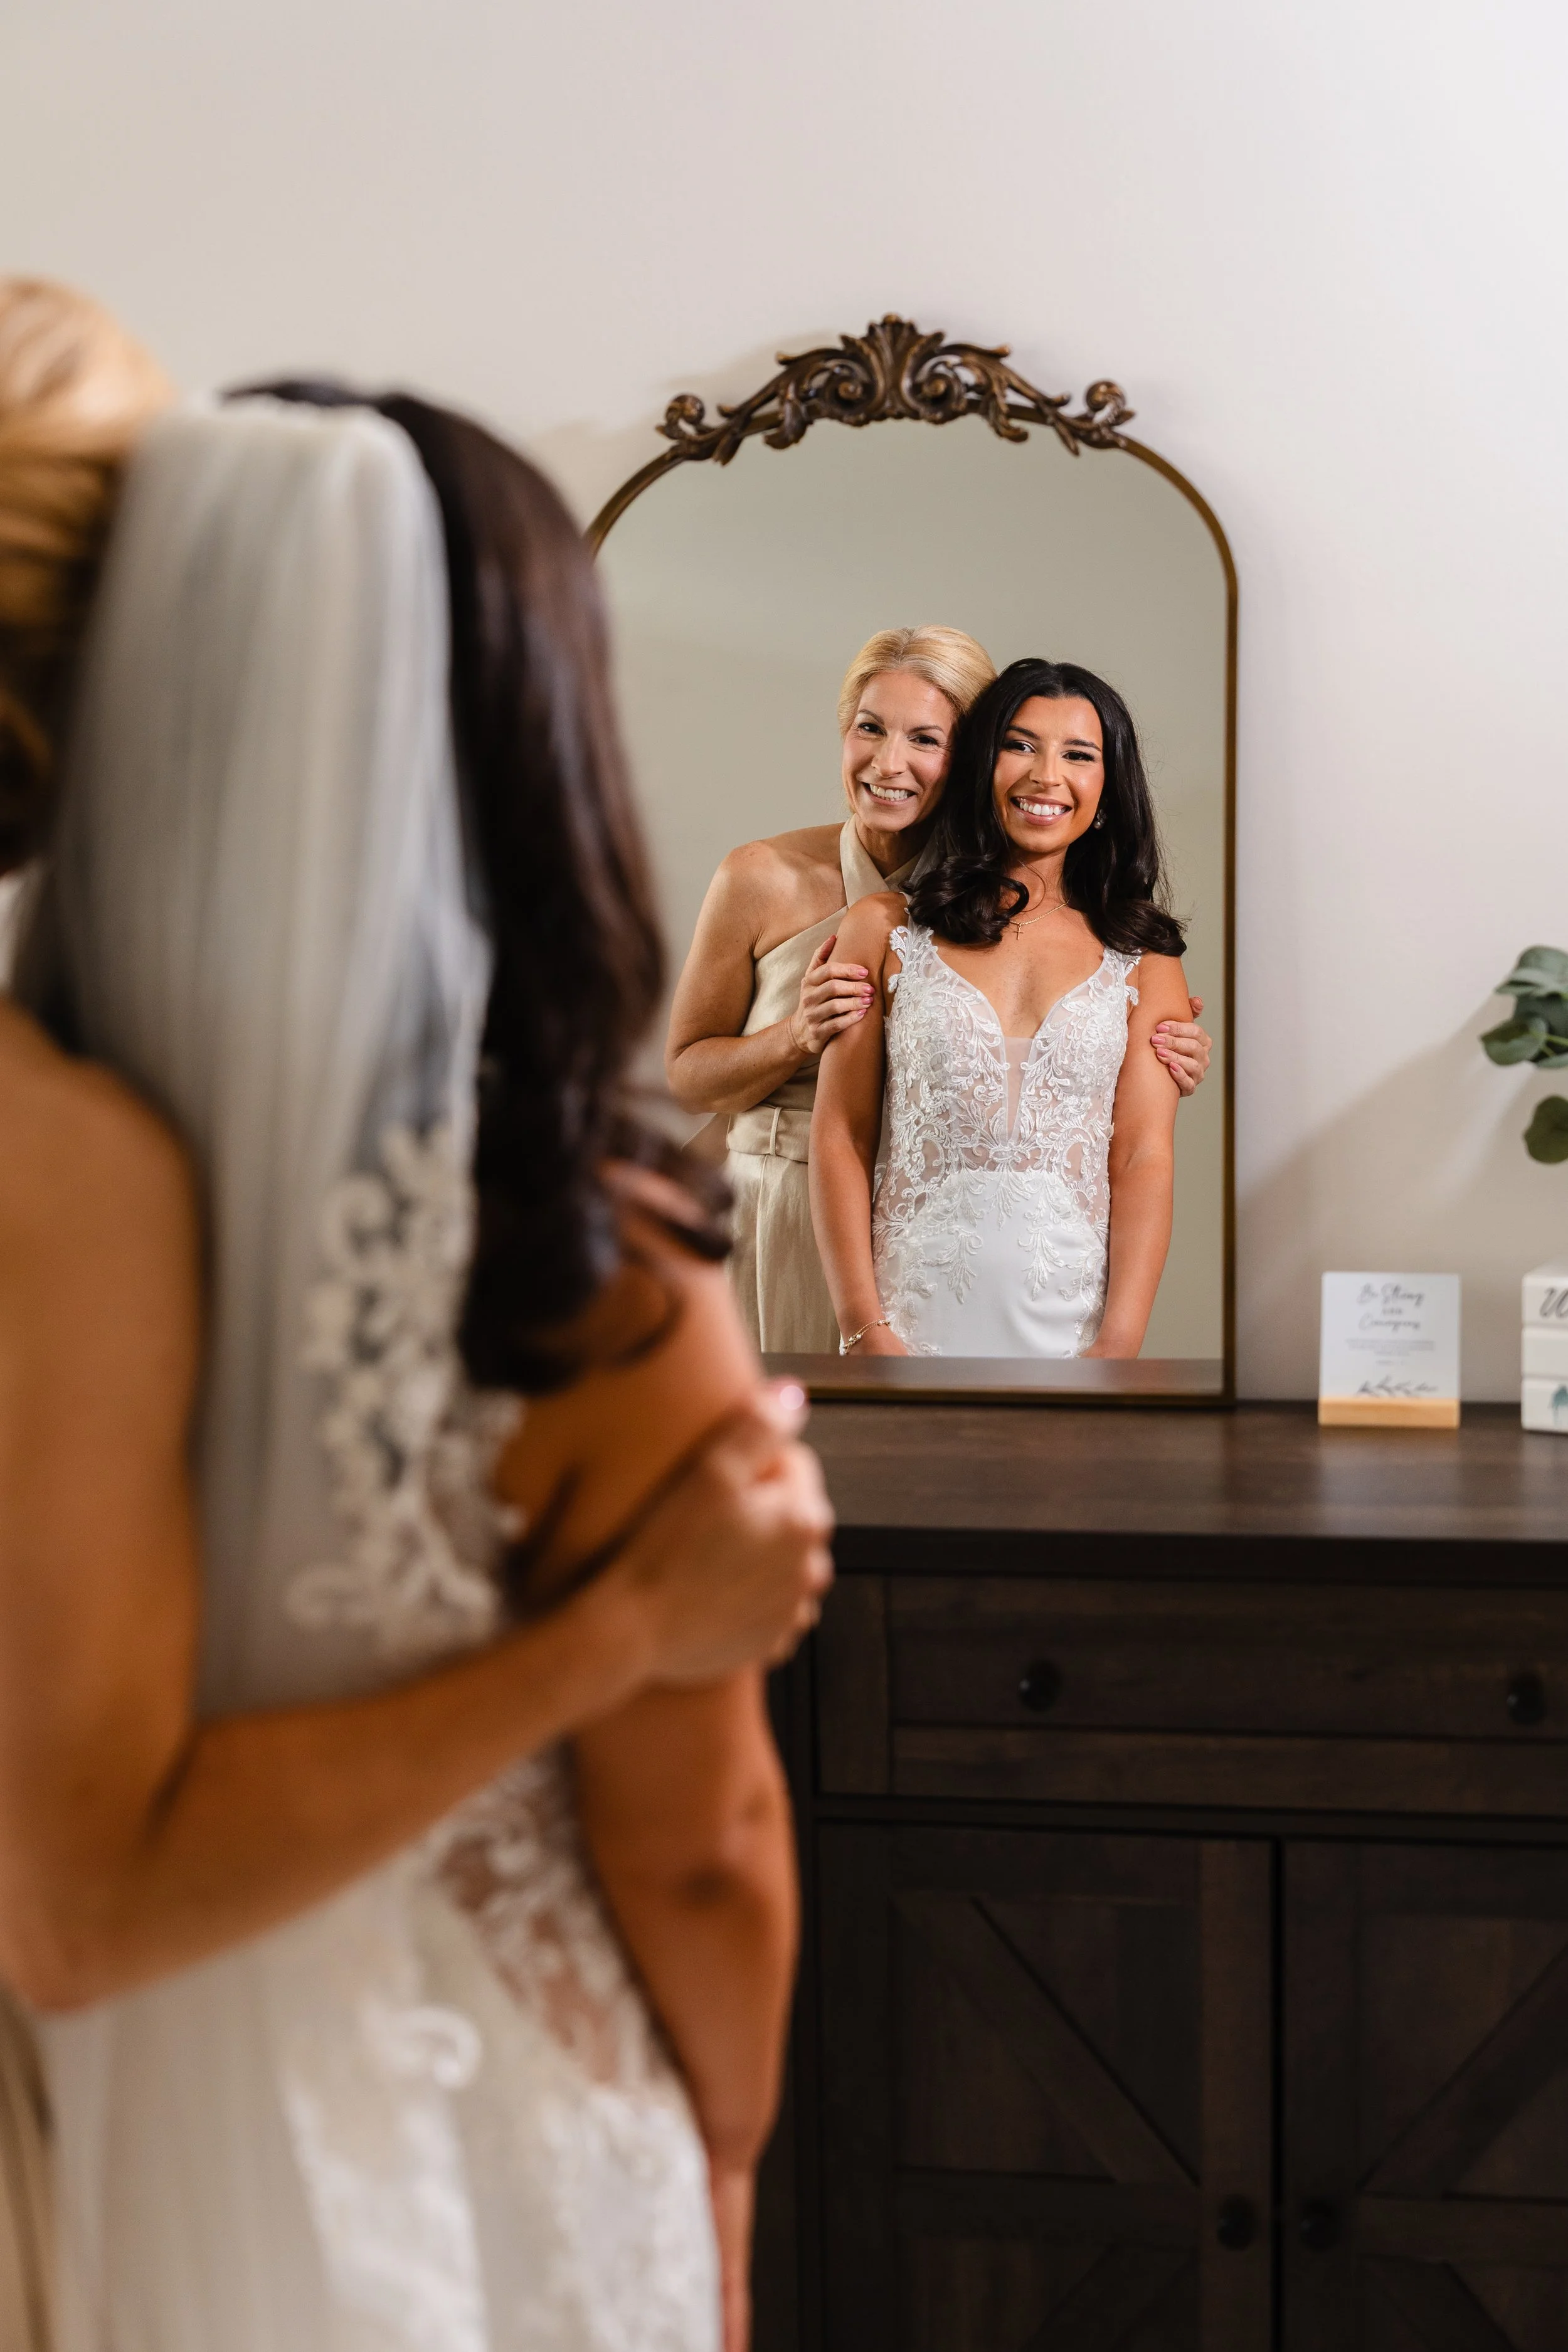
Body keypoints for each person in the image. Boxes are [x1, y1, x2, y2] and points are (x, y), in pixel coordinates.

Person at [0, 282, 833, 2352]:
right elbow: (707, 1846)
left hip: (97, 2138)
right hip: (452, 2153)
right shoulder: (579, 1259)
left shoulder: (70, 1139)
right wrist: (725, 2161)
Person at [665, 628, 1212, 1353]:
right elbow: (794, 1112)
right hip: (794, 1214)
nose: (890, 763)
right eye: (869, 728)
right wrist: (799, 1033)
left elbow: (1141, 1152)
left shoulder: (1118, 944)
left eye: (925, 739)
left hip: (1035, 1288)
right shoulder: (838, 906)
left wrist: (1119, 1345)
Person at [810, 657, 1191, 1359]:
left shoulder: (1147, 958)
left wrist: (1119, 1347)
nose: (1046, 776)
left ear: (1106, 790)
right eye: (1020, 745)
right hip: (905, 1320)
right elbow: (840, 1136)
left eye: (1078, 755)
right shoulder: (883, 929)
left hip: (1073, 1329)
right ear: (982, 765)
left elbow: (1143, 1158)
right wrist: (864, 1326)